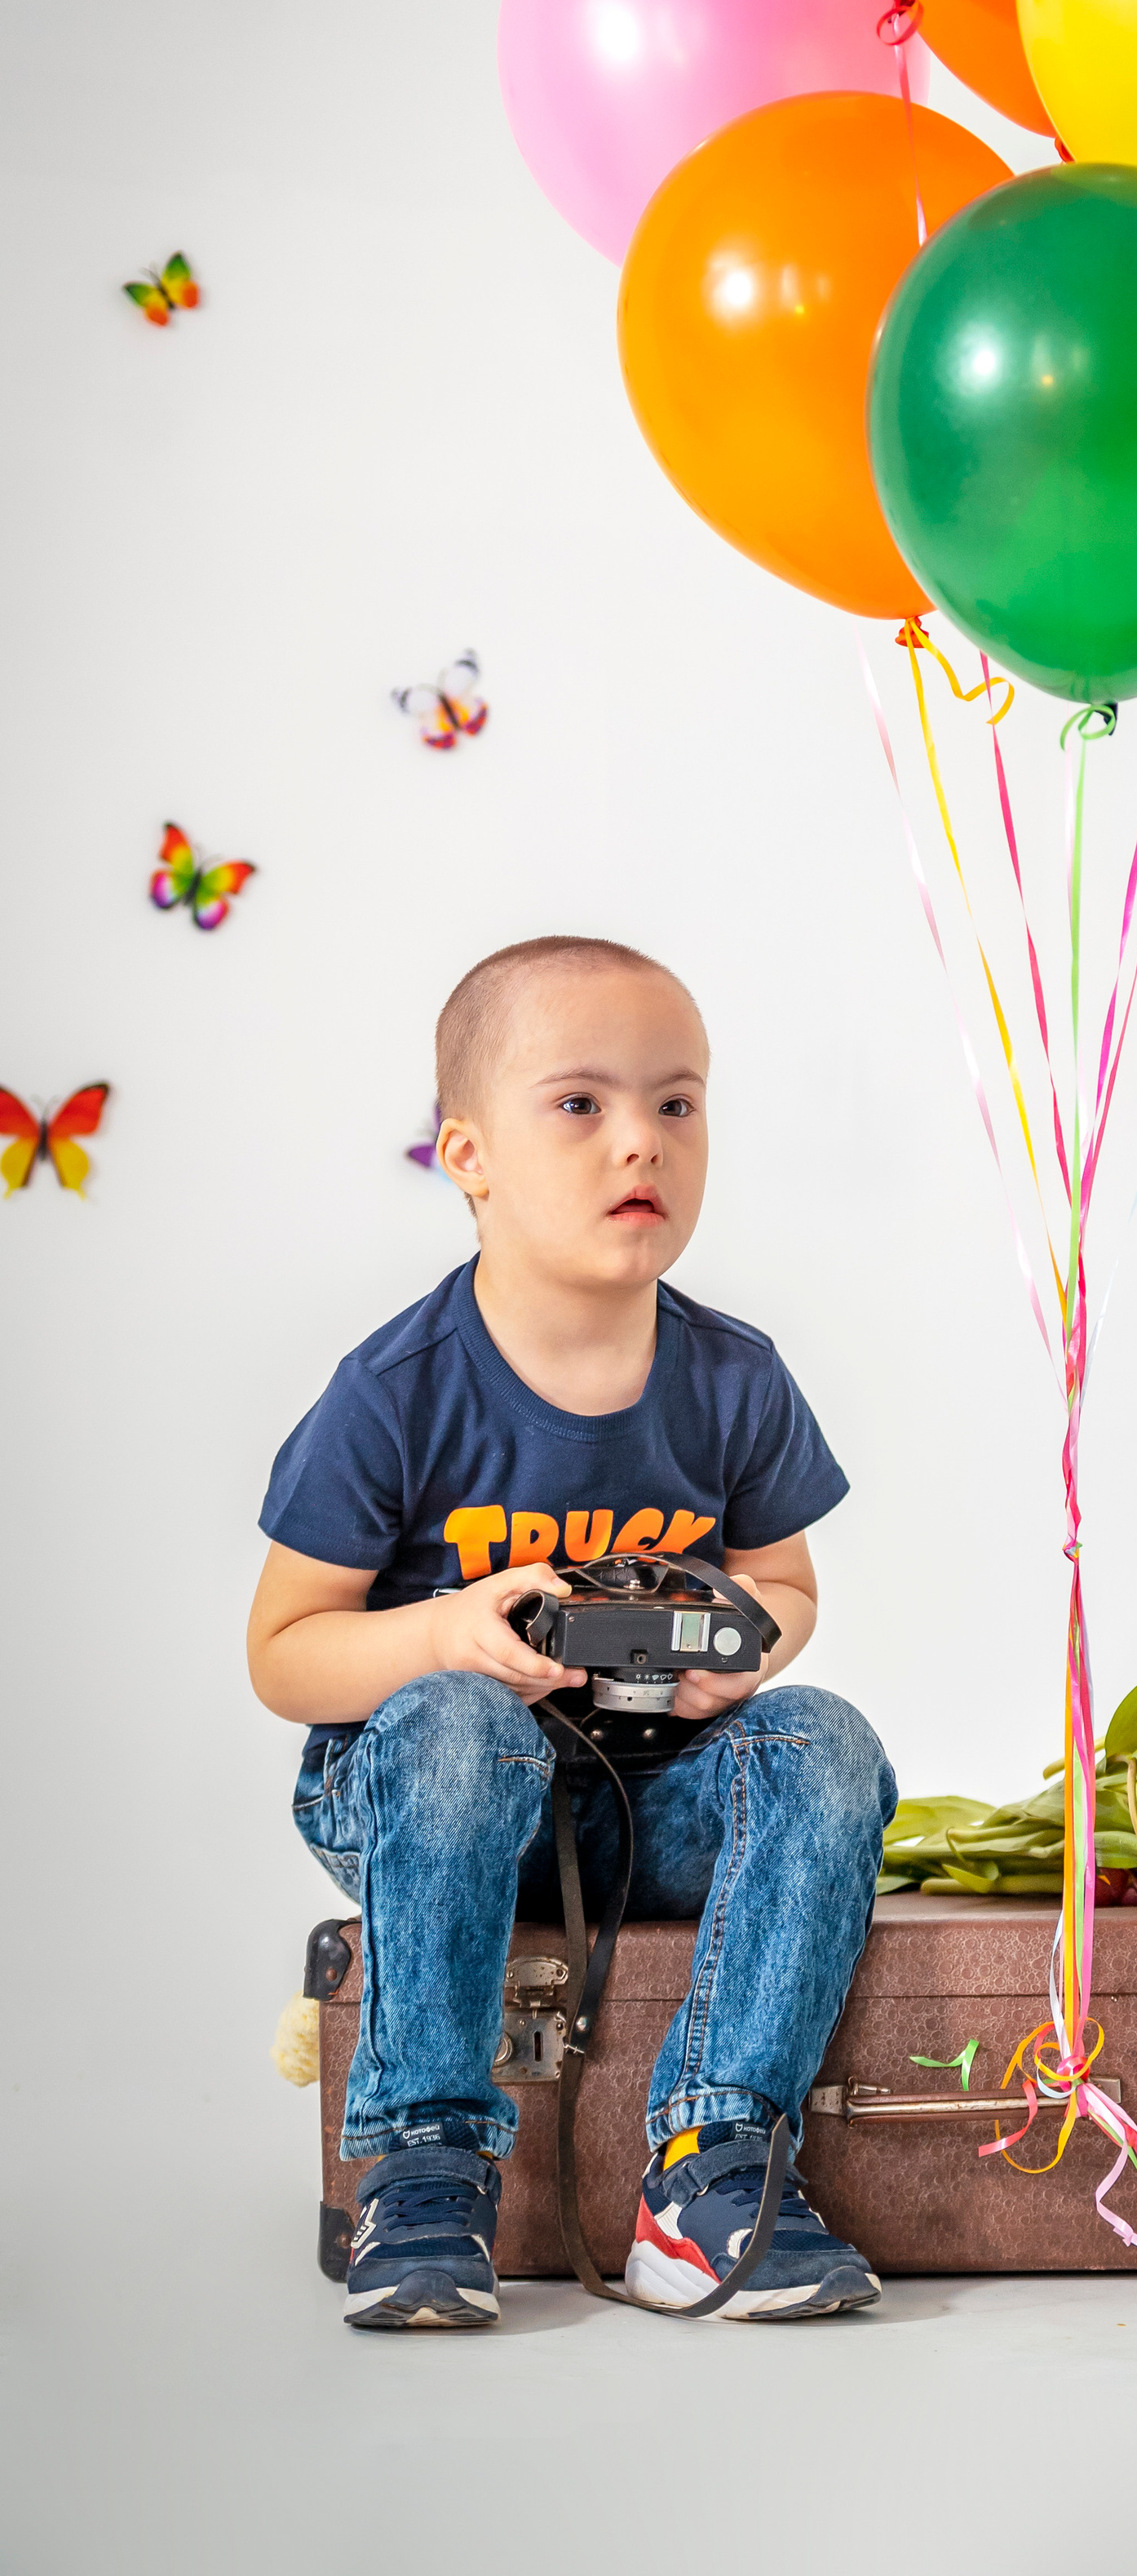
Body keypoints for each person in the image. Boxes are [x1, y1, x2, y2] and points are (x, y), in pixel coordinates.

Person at [248, 934, 894, 2330]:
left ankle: (713, 2165)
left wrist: (741, 1653)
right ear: (467, 1155)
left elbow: (784, 1587)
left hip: (645, 1805)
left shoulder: (733, 1375)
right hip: (432, 1802)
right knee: (461, 1722)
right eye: (581, 1104)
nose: (639, 1141)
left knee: (826, 1742)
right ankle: (425, 2163)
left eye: (677, 1102)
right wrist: (445, 1635)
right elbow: (284, 1651)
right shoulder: (399, 1390)